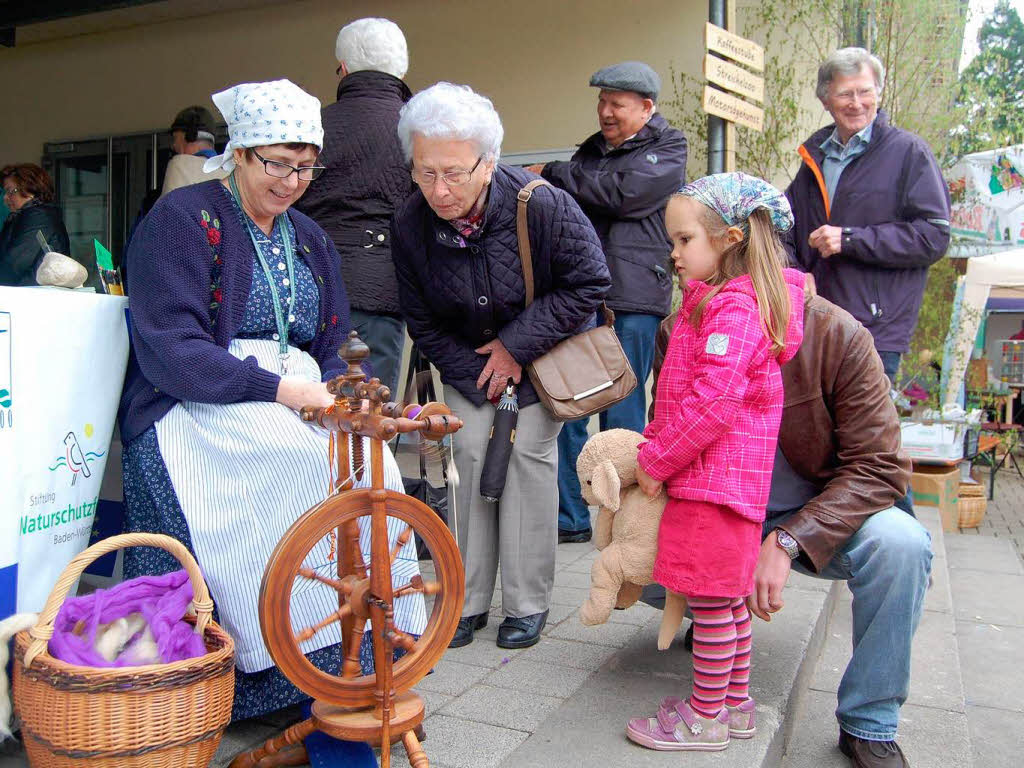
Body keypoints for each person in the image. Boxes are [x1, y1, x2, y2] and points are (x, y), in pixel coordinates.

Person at [118, 80, 424, 740]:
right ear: (239, 153)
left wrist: (355, 397)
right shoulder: (181, 221)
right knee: (296, 465)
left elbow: (341, 339)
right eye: (277, 163)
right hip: (199, 401)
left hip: (298, 396)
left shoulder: (308, 236)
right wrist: (285, 391)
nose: (292, 181)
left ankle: (368, 655)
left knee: (374, 467)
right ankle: (282, 672)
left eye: (305, 165)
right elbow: (171, 348)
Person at [649, 288, 930, 767]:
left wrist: (790, 538)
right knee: (631, 544)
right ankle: (716, 613)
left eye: (685, 240)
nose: (675, 256)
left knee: (902, 546)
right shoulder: (680, 326)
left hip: (817, 513)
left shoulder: (838, 333)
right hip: (722, 507)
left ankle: (869, 723)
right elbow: (666, 430)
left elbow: (880, 467)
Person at [391, 82, 611, 650]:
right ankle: (466, 599)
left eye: (454, 173)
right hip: (468, 362)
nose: (438, 189)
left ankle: (527, 602)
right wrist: (475, 375)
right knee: (465, 455)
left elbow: (589, 281)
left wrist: (515, 348)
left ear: (488, 163)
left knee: (525, 458)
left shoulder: (540, 203)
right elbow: (421, 317)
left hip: (541, 356)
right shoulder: (410, 221)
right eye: (424, 171)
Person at [624, 173, 804, 752]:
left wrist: (656, 459)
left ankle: (704, 718)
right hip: (731, 483)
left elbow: (713, 402)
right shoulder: (728, 303)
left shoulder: (731, 310)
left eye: (682, 241)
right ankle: (735, 704)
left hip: (712, 481)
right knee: (728, 599)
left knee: (709, 601)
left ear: (728, 238)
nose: (673, 254)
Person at [526, 60, 688, 544]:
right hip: (581, 293)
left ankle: (624, 523)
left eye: (617, 103)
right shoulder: (590, 151)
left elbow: (624, 195)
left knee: (623, 409)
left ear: (646, 107)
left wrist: (555, 172)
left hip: (635, 295)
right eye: (602, 101)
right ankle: (573, 516)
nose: (606, 112)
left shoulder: (668, 147)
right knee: (573, 401)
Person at [783, 47, 950, 384]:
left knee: (866, 435)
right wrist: (796, 275)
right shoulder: (814, 159)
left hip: (875, 328)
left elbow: (934, 235)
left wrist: (849, 239)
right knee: (811, 434)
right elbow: (779, 229)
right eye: (845, 93)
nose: (856, 103)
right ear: (825, 99)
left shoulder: (909, 152)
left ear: (879, 93)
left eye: (865, 91)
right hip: (814, 322)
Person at [294, 17, 413, 397]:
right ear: (402, 69)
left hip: (307, 282)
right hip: (382, 288)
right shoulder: (419, 130)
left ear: (343, 69)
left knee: (309, 408)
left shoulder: (311, 127)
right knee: (371, 418)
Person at [0, 164, 71, 286]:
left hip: (36, 298)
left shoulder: (39, 216)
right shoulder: (22, 216)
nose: (5, 197)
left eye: (11, 191)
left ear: (30, 190)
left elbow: (16, 263)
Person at [161, 105, 229, 196]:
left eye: (175, 138)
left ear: (189, 136)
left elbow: (167, 209)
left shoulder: (179, 165)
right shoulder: (231, 172)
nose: (174, 145)